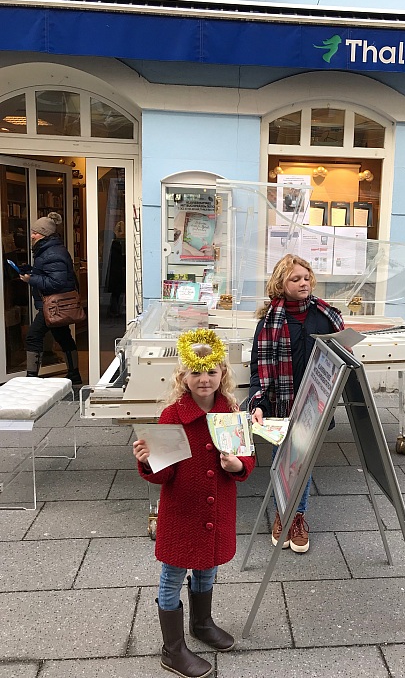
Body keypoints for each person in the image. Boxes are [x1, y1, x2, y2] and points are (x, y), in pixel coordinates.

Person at [133, 328, 255, 678]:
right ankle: (172, 650)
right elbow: (162, 475)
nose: (204, 379)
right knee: (172, 575)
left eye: (212, 371)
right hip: (183, 513)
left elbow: (245, 456)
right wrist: (147, 460)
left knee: (207, 568)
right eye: (196, 372)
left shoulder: (230, 410)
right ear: (183, 376)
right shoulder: (172, 416)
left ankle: (201, 623)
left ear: (223, 375)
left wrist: (237, 465)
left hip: (217, 511)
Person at [249, 254, 344, 553]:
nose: (303, 283)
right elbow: (258, 366)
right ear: (281, 283)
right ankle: (284, 514)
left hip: (315, 403)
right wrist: (259, 402)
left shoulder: (324, 315)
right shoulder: (269, 321)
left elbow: (339, 356)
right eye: (295, 279)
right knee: (284, 461)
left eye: (306, 277)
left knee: (302, 461)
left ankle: (293, 517)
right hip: (281, 403)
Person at [19, 212, 82, 385]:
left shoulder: (51, 252)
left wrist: (30, 279)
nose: (32, 235)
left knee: (33, 336)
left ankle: (31, 379)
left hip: (53, 304)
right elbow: (50, 274)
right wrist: (32, 271)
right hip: (54, 304)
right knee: (63, 337)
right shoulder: (48, 249)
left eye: (35, 232)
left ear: (45, 234)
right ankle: (74, 375)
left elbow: (57, 282)